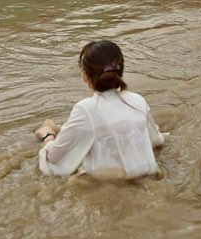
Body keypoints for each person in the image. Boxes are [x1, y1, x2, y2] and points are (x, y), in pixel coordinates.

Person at [34, 40, 164, 179]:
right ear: (121, 70)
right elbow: (156, 140)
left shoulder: (85, 109)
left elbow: (54, 159)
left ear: (84, 75)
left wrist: (48, 137)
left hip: (110, 185)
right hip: (149, 176)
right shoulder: (138, 100)